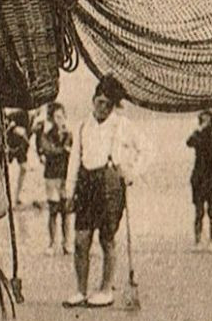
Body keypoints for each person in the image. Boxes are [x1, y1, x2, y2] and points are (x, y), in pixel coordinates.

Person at [63, 76, 146, 308]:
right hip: (87, 183)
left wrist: (131, 173)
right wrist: (69, 192)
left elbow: (146, 149)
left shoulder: (122, 124)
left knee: (107, 239)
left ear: (113, 105)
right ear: (93, 100)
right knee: (81, 239)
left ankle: (106, 289)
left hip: (110, 184)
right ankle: (81, 290)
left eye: (108, 104)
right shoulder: (82, 126)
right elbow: (74, 161)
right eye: (99, 102)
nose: (102, 108)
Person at [186, 110, 212, 245]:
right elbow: (189, 142)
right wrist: (199, 129)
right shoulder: (199, 134)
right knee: (199, 211)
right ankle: (198, 240)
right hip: (199, 176)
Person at [36, 101, 73, 253]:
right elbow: (47, 150)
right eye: (56, 117)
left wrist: (63, 148)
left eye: (61, 116)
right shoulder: (47, 135)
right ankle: (52, 243)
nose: (60, 120)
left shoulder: (68, 134)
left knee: (66, 210)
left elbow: (71, 151)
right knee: (53, 209)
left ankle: (66, 243)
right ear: (52, 119)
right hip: (51, 176)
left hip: (64, 175)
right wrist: (62, 150)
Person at [4, 109, 31, 205]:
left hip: (22, 146)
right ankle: (6, 196)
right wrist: (13, 128)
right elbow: (5, 122)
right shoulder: (18, 112)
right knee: (6, 170)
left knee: (23, 168)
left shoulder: (32, 116)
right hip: (10, 144)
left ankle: (17, 196)